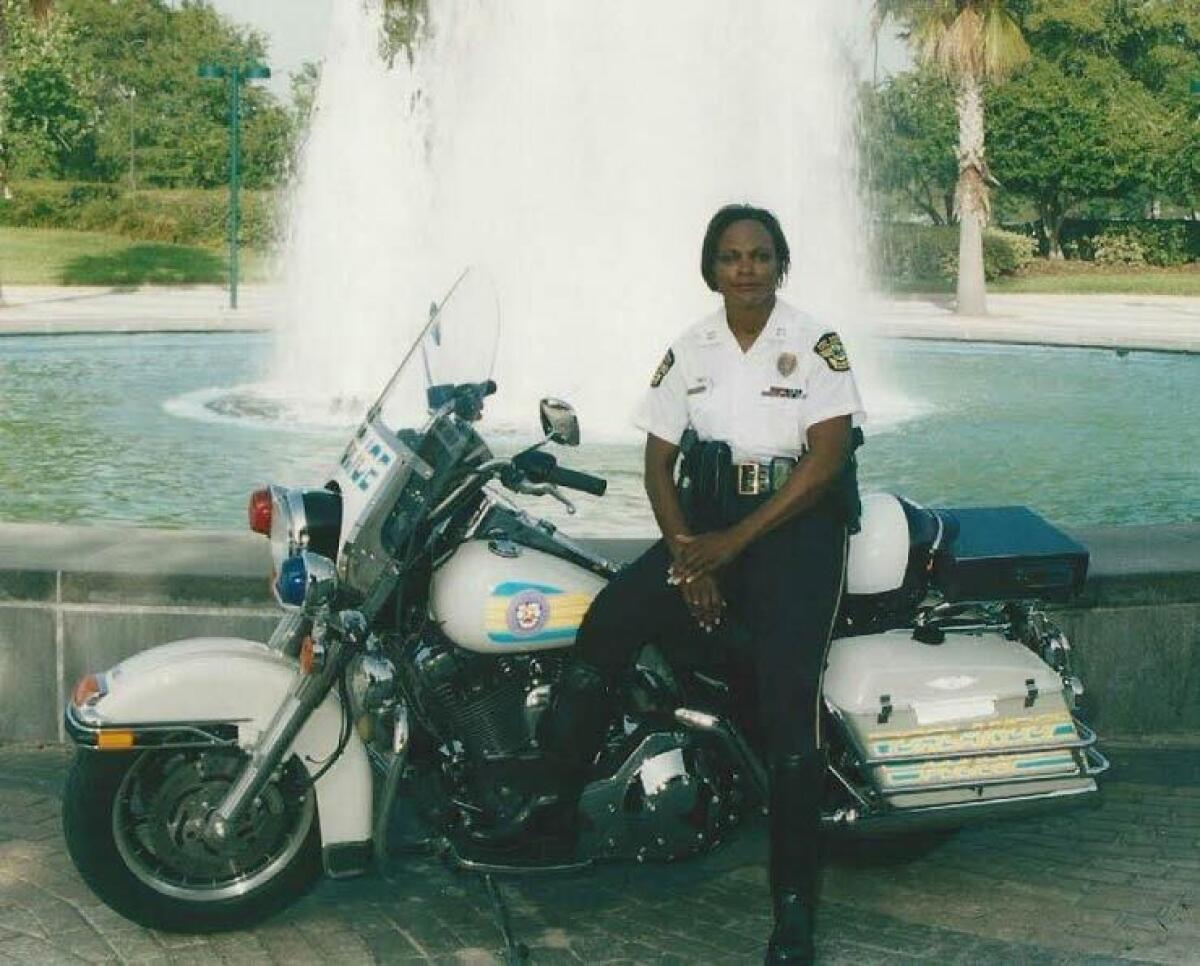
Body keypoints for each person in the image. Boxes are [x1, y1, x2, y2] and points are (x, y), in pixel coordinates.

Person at [545, 203, 864, 964]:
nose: (746, 268)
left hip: (796, 526)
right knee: (610, 622)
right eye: (730, 256)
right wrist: (688, 553)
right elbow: (658, 464)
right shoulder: (691, 349)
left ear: (780, 264)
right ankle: (549, 808)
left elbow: (827, 458)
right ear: (711, 268)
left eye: (759, 255)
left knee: (791, 707)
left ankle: (792, 910)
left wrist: (729, 547)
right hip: (709, 520)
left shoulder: (814, 342)